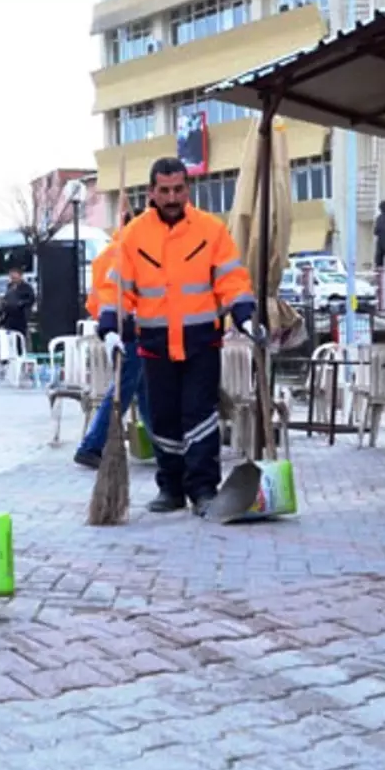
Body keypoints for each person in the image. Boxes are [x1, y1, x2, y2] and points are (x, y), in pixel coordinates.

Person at [98, 157, 259, 517]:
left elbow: (232, 278)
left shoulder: (211, 230)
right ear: (152, 192)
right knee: (165, 419)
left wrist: (245, 316)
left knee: (201, 415)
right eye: (165, 190)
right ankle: (170, 488)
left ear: (188, 188)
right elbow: (116, 287)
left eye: (179, 189)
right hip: (155, 343)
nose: (172, 197)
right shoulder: (133, 235)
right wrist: (109, 327)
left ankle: (203, 489)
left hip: (201, 340)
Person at [74, 207, 153, 470]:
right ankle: (92, 445)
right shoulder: (126, 254)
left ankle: (163, 444)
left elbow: (94, 299)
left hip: (117, 328)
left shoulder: (108, 252)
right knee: (124, 388)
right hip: (129, 329)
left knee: (142, 390)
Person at [0, 263, 35, 345]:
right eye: (11, 277)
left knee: (20, 337)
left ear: (20, 276)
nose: (13, 279)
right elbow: (6, 297)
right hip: (9, 316)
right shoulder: (9, 286)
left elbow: (31, 299)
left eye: (15, 277)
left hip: (20, 316)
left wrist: (21, 303)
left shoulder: (26, 287)